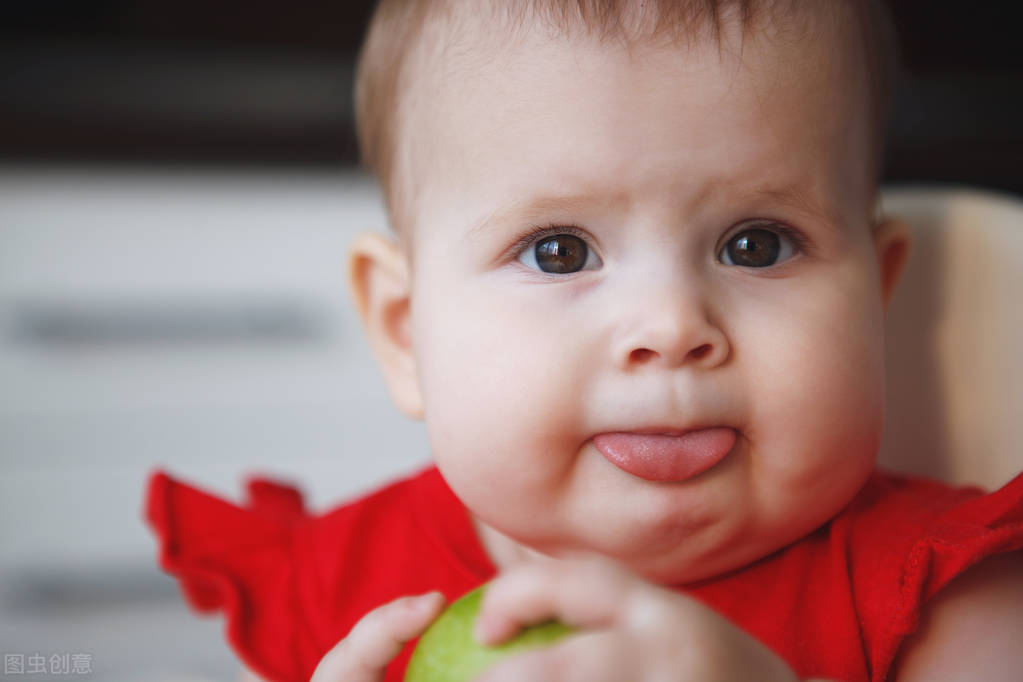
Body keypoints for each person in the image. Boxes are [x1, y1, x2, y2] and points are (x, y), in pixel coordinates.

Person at [144, 1, 1023, 681]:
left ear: (874, 295)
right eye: (559, 252)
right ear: (404, 333)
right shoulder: (337, 592)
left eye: (756, 243)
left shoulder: (946, 602)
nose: (672, 328)